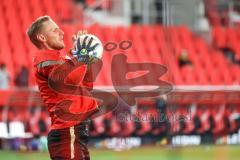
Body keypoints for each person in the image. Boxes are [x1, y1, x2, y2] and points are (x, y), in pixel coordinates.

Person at [27, 15, 99, 160]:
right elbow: (69, 80)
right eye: (55, 31)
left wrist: (83, 55)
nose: (62, 33)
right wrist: (82, 54)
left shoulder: (62, 59)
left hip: (74, 131)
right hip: (67, 131)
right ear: (42, 37)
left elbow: (86, 86)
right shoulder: (44, 57)